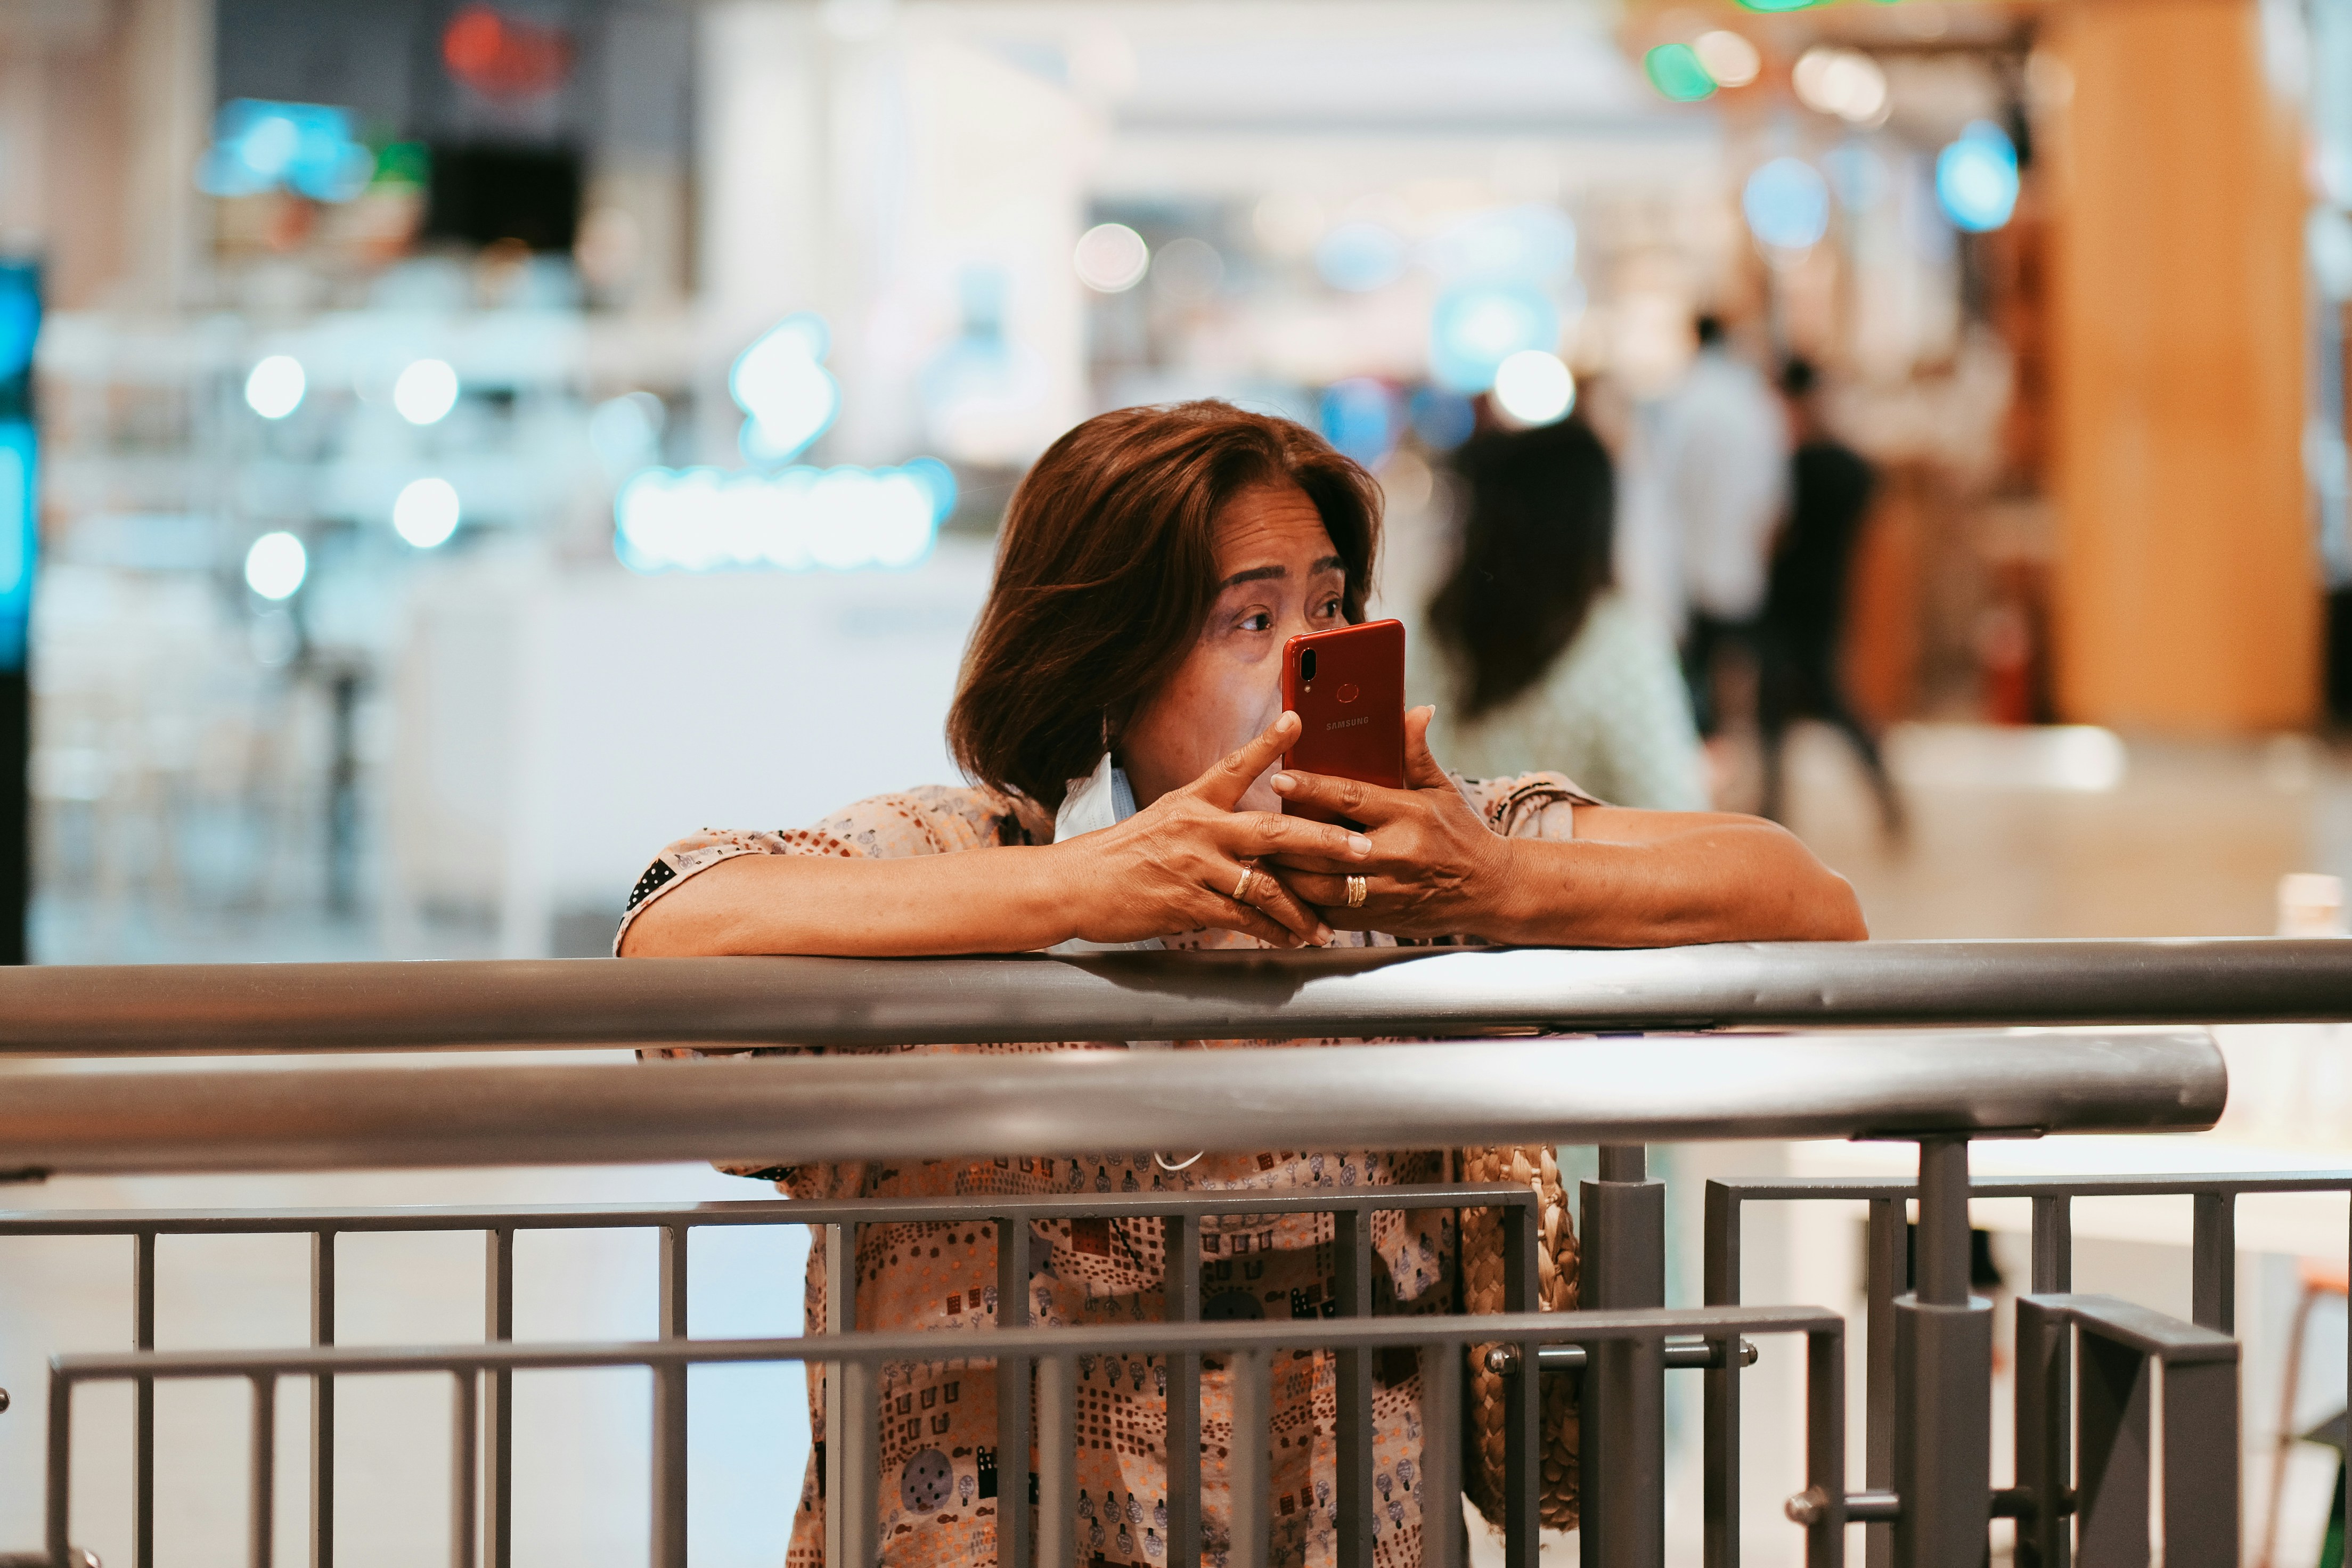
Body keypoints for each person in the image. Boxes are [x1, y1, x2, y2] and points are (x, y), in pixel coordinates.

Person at [617, 401, 1864, 1568]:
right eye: (1249, 621)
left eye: (1328, 609)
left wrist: (1491, 885)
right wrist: (1090, 889)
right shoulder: (970, 853)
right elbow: (675, 922)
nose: (1311, 664)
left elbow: (1805, 905)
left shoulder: (1422, 855)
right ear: (1106, 659)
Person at [1416, 418, 1708, 811]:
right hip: (1574, 872)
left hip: (1442, 866)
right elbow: (1676, 812)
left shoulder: (1428, 626)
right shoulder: (1617, 642)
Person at [1757, 358, 1902, 836]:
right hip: (1827, 598)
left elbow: (1771, 530)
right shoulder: (1849, 467)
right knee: (1816, 707)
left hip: (1788, 601)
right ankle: (1775, 815)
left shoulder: (1793, 466)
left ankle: (1771, 819)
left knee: (1793, 708)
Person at [1652, 314, 1788, 735]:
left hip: (1691, 567)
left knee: (1695, 688)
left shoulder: (1684, 402)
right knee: (1743, 678)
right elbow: (1774, 497)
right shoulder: (1754, 404)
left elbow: (1664, 491)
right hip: (1743, 562)